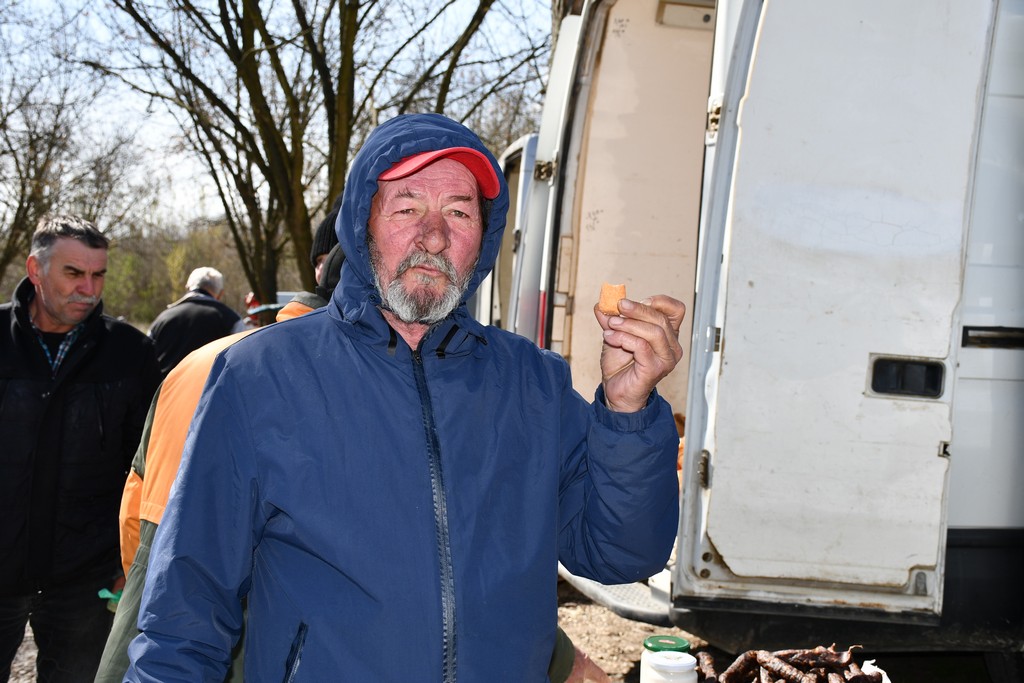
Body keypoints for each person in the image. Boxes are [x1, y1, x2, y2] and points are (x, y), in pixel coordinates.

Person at [126, 113, 685, 681]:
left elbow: (621, 555)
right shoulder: (258, 377)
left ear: (484, 241)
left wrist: (627, 412)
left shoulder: (532, 382)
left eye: (460, 212)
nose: (435, 236)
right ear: (361, 222)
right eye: (407, 206)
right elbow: (183, 613)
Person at [93, 241, 346, 683]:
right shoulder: (338, 385)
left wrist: (142, 581)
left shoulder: (195, 359)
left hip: (154, 608)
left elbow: (134, 493)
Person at [0, 214, 161, 683]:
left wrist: (125, 562)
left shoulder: (130, 352)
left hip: (84, 580)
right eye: (74, 273)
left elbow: (146, 468)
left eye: (98, 275)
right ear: (35, 270)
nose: (88, 289)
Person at [147, 266, 241, 375]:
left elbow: (146, 360)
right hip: (211, 390)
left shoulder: (162, 319)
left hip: (167, 389)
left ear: (187, 287)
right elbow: (242, 360)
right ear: (220, 294)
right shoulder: (231, 319)